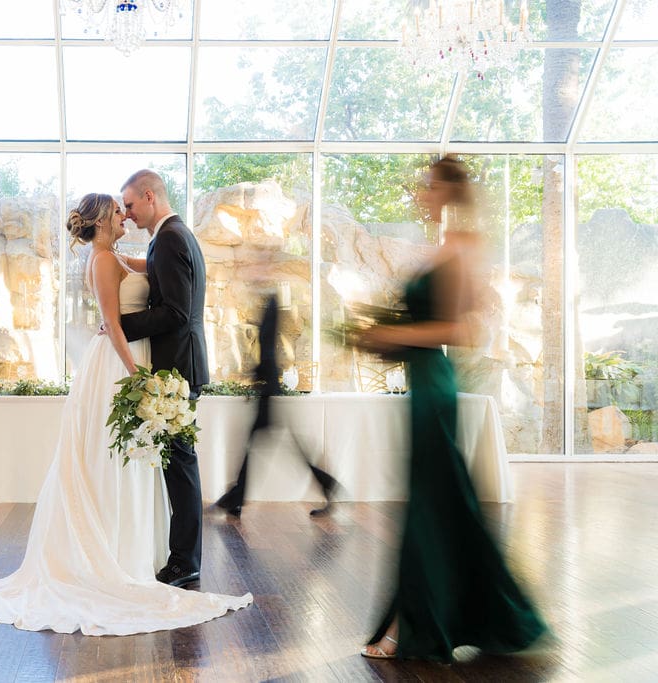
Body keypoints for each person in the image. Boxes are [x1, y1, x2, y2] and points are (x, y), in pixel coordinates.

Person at [0, 193, 251, 635]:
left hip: (133, 356)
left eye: (128, 206)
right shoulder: (103, 262)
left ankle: (132, 550)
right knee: (112, 459)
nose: (124, 214)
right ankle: (112, 553)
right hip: (118, 363)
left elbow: (163, 273)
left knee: (132, 460)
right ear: (103, 220)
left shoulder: (118, 255)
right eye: (118, 210)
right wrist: (137, 377)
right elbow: (113, 323)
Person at [358, 156, 547, 662]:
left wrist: (391, 333)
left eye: (428, 184)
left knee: (429, 505)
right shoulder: (442, 246)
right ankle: (485, 614)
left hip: (435, 389)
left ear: (448, 190)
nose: (421, 191)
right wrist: (382, 338)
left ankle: (409, 628)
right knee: (443, 505)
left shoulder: (465, 247)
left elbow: (459, 330)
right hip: (421, 384)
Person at [118, 169, 207, 588]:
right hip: (181, 363)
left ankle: (185, 561)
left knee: (181, 466)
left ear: (149, 196)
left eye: (131, 205)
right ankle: (183, 557)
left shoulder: (170, 238)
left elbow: (174, 311)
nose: (127, 214)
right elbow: (157, 274)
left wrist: (119, 324)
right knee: (178, 463)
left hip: (179, 367)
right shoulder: (172, 235)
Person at [214, 293, 339, 517]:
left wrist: (258, 375)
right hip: (269, 391)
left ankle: (235, 498)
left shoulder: (270, 302)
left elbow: (269, 350)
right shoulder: (269, 302)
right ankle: (235, 498)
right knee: (281, 447)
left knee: (265, 446)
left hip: (269, 393)